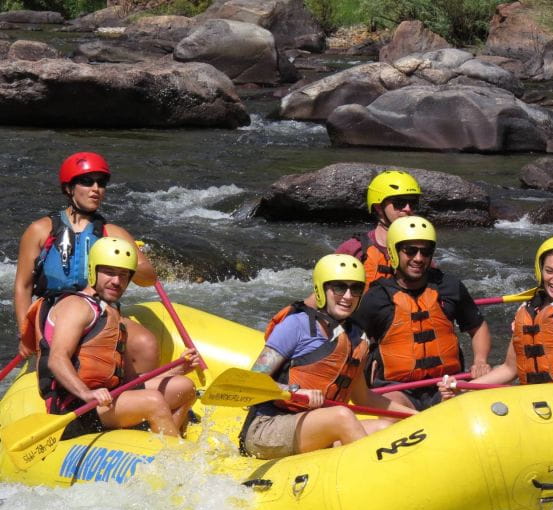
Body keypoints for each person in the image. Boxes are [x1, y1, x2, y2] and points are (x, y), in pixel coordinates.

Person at [21, 237, 201, 439]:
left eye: (124, 275)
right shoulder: (76, 307)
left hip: (107, 398)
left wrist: (178, 369)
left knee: (184, 388)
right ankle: (173, 458)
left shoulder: (109, 312)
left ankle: (157, 443)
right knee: (153, 401)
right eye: (109, 272)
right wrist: (86, 393)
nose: (117, 281)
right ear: (93, 271)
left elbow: (129, 381)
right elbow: (57, 359)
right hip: (74, 407)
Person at [240, 254, 414, 460]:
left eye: (355, 288)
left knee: (383, 427)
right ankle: (374, 475)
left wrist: (415, 417)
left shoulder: (357, 337)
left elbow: (363, 398)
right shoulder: (296, 325)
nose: (348, 296)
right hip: (267, 428)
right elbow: (251, 383)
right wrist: (294, 391)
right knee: (342, 416)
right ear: (322, 290)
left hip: (316, 425)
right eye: (339, 287)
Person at [14, 152, 159, 376]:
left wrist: (128, 256)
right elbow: (23, 286)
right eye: (86, 181)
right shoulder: (40, 230)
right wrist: (25, 334)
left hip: (99, 310)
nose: (96, 188)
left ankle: (131, 400)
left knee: (146, 344)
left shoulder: (113, 233)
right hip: (55, 312)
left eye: (101, 183)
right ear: (69, 188)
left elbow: (149, 278)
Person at [440, 236, 553, 401]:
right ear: (540, 270)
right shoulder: (525, 312)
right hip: (534, 403)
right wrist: (465, 389)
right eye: (550, 271)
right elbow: (509, 369)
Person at [353, 216, 492, 410]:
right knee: (394, 407)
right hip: (397, 389)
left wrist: (480, 361)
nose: (418, 258)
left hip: (446, 384)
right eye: (410, 251)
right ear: (394, 251)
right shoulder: (376, 298)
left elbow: (477, 327)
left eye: (425, 252)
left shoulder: (449, 286)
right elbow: (348, 342)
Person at [334, 170, 422, 287]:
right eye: (399, 202)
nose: (408, 208)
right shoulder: (353, 249)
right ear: (378, 207)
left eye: (413, 203)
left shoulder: (421, 251)